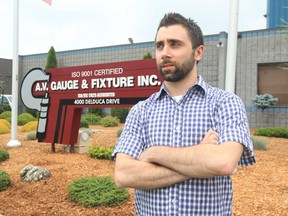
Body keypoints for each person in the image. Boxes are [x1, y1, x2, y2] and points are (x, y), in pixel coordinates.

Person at [112, 12, 255, 215]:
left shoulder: (225, 103)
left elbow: (223, 162)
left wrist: (154, 154)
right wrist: (201, 158)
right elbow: (124, 175)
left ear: (198, 53)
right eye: (160, 45)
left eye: (175, 44)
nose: (165, 52)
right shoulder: (140, 111)